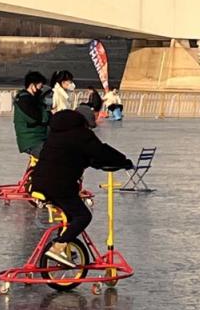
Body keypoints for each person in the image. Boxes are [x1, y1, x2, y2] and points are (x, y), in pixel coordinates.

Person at [30, 109, 133, 261]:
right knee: (83, 216)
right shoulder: (81, 135)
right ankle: (59, 246)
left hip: (39, 182)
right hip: (59, 186)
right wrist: (124, 162)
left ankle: (64, 246)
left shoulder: (56, 134)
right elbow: (102, 151)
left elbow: (75, 156)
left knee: (70, 214)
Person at [13, 71, 49, 158]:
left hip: (38, 137)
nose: (41, 90)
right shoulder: (24, 100)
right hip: (31, 141)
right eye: (40, 87)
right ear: (32, 85)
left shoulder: (32, 99)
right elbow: (36, 118)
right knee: (51, 157)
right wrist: (48, 112)